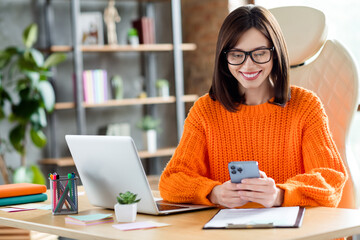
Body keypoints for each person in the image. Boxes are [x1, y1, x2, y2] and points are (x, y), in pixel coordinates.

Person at [159, 5, 347, 209]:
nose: (248, 66)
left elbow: (331, 179)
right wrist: (214, 193)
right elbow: (171, 180)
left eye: (259, 53)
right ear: (224, 58)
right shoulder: (205, 111)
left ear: (275, 54)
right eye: (237, 55)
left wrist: (279, 195)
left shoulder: (306, 106)